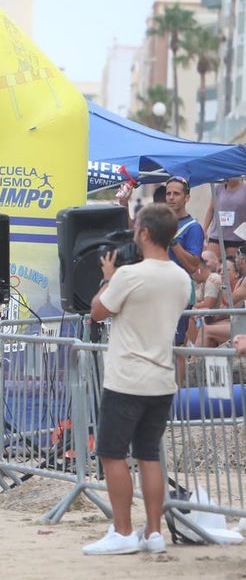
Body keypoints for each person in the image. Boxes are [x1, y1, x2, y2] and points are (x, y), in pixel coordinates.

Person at [83, 203, 191, 555]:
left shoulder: (130, 276)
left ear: (144, 233)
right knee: (149, 455)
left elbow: (98, 311)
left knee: (112, 453)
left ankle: (123, 530)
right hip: (162, 377)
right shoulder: (181, 277)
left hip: (127, 377)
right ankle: (154, 531)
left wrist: (109, 276)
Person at [163, 176, 209, 348]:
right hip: (159, 290)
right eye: (168, 194)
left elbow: (193, 265)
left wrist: (173, 242)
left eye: (176, 193)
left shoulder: (193, 227)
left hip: (178, 292)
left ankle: (178, 376)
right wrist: (125, 205)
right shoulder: (161, 222)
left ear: (187, 198)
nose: (171, 197)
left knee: (175, 346)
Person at [203, 176, 246, 260]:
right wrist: (204, 229)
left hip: (236, 238)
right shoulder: (218, 188)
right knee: (211, 262)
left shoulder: (244, 190)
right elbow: (211, 210)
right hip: (217, 235)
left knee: (232, 265)